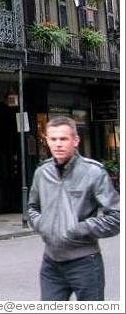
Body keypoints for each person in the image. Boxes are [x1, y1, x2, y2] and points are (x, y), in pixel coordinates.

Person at [28, 116, 119, 301]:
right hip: (51, 263)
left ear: (75, 140)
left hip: (85, 262)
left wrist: (78, 228)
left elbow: (116, 216)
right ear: (47, 141)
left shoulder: (93, 172)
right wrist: (43, 224)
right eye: (53, 139)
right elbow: (32, 208)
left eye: (63, 139)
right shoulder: (42, 172)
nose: (58, 144)